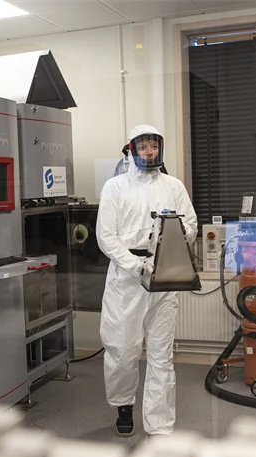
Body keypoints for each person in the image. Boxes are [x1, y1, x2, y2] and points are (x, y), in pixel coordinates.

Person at [96, 125, 197, 436]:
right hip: (126, 280)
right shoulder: (114, 187)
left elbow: (191, 224)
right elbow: (106, 237)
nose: (149, 151)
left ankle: (160, 424)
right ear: (131, 149)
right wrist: (135, 264)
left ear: (160, 149)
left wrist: (170, 240)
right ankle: (123, 404)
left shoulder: (173, 186)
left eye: (154, 146)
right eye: (143, 146)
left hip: (164, 277)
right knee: (122, 350)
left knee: (161, 354)